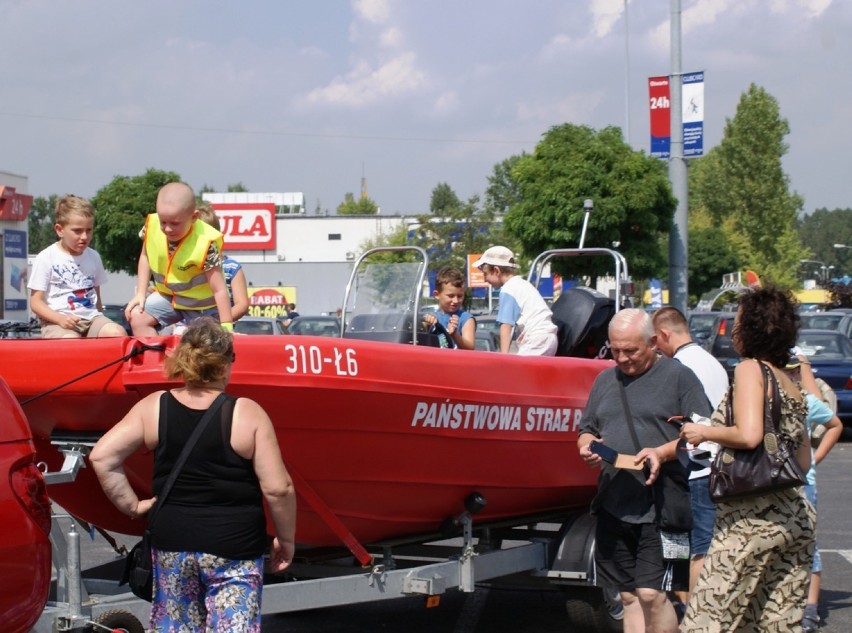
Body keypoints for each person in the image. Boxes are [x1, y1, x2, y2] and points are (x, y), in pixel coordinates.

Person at [90, 317, 296, 632]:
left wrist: (132, 507)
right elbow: (278, 489)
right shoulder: (247, 413)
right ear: (226, 364)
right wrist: (287, 538)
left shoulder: (154, 406)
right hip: (234, 547)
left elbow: (102, 457)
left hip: (173, 542)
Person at [679, 285, 815, 632]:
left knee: (705, 622)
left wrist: (704, 432)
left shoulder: (750, 370)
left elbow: (750, 434)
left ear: (750, 328)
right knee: (773, 624)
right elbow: (803, 460)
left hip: (749, 521)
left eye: (738, 320)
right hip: (794, 518)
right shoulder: (791, 382)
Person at [578, 308, 712, 633]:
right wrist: (587, 445)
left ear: (653, 342)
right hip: (614, 504)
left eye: (631, 350)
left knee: (653, 594)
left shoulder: (680, 377)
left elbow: (704, 430)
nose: (622, 358)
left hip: (667, 507)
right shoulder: (605, 379)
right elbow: (587, 428)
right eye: (615, 350)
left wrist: (662, 453)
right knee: (628, 597)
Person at [652, 307, 728, 603]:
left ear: (664, 334)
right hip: (718, 469)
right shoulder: (713, 362)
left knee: (694, 552)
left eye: (655, 341)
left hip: (695, 470)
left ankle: (696, 617)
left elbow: (687, 424)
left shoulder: (679, 367)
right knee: (707, 547)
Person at [125, 182, 234, 336]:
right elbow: (145, 256)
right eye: (163, 222)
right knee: (137, 316)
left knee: (204, 343)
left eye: (175, 223)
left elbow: (219, 289)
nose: (167, 229)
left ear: (194, 217)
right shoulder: (151, 226)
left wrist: (227, 325)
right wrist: (140, 294)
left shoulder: (206, 243)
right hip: (169, 298)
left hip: (201, 306)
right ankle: (155, 358)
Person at [785, 354, 843, 633]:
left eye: (792, 371)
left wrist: (814, 458)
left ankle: (810, 608)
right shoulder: (765, 399)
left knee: (808, 543)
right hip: (775, 482)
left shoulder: (805, 401)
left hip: (802, 482)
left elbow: (834, 425)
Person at [28, 195, 127, 339]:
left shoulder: (93, 257)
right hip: (57, 322)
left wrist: (100, 319)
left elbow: (96, 297)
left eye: (89, 230)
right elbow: (36, 302)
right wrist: (59, 319)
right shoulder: (46, 257)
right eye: (77, 231)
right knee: (72, 341)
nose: (84, 237)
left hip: (91, 318)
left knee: (118, 333)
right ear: (60, 230)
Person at [472, 246, 557, 355]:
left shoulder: (508, 289)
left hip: (536, 339)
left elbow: (506, 325)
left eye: (485, 274)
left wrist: (503, 357)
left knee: (519, 371)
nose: (485, 279)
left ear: (496, 271)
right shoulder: (522, 284)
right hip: (548, 337)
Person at [196, 203, 250, 321]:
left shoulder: (231, 267)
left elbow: (242, 304)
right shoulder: (185, 264)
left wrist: (218, 322)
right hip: (186, 327)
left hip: (219, 329)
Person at [421, 266, 476, 350]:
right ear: (437, 295)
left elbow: (470, 348)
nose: (456, 301)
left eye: (460, 296)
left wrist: (454, 335)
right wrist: (425, 325)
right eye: (451, 296)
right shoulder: (432, 318)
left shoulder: (466, 319)